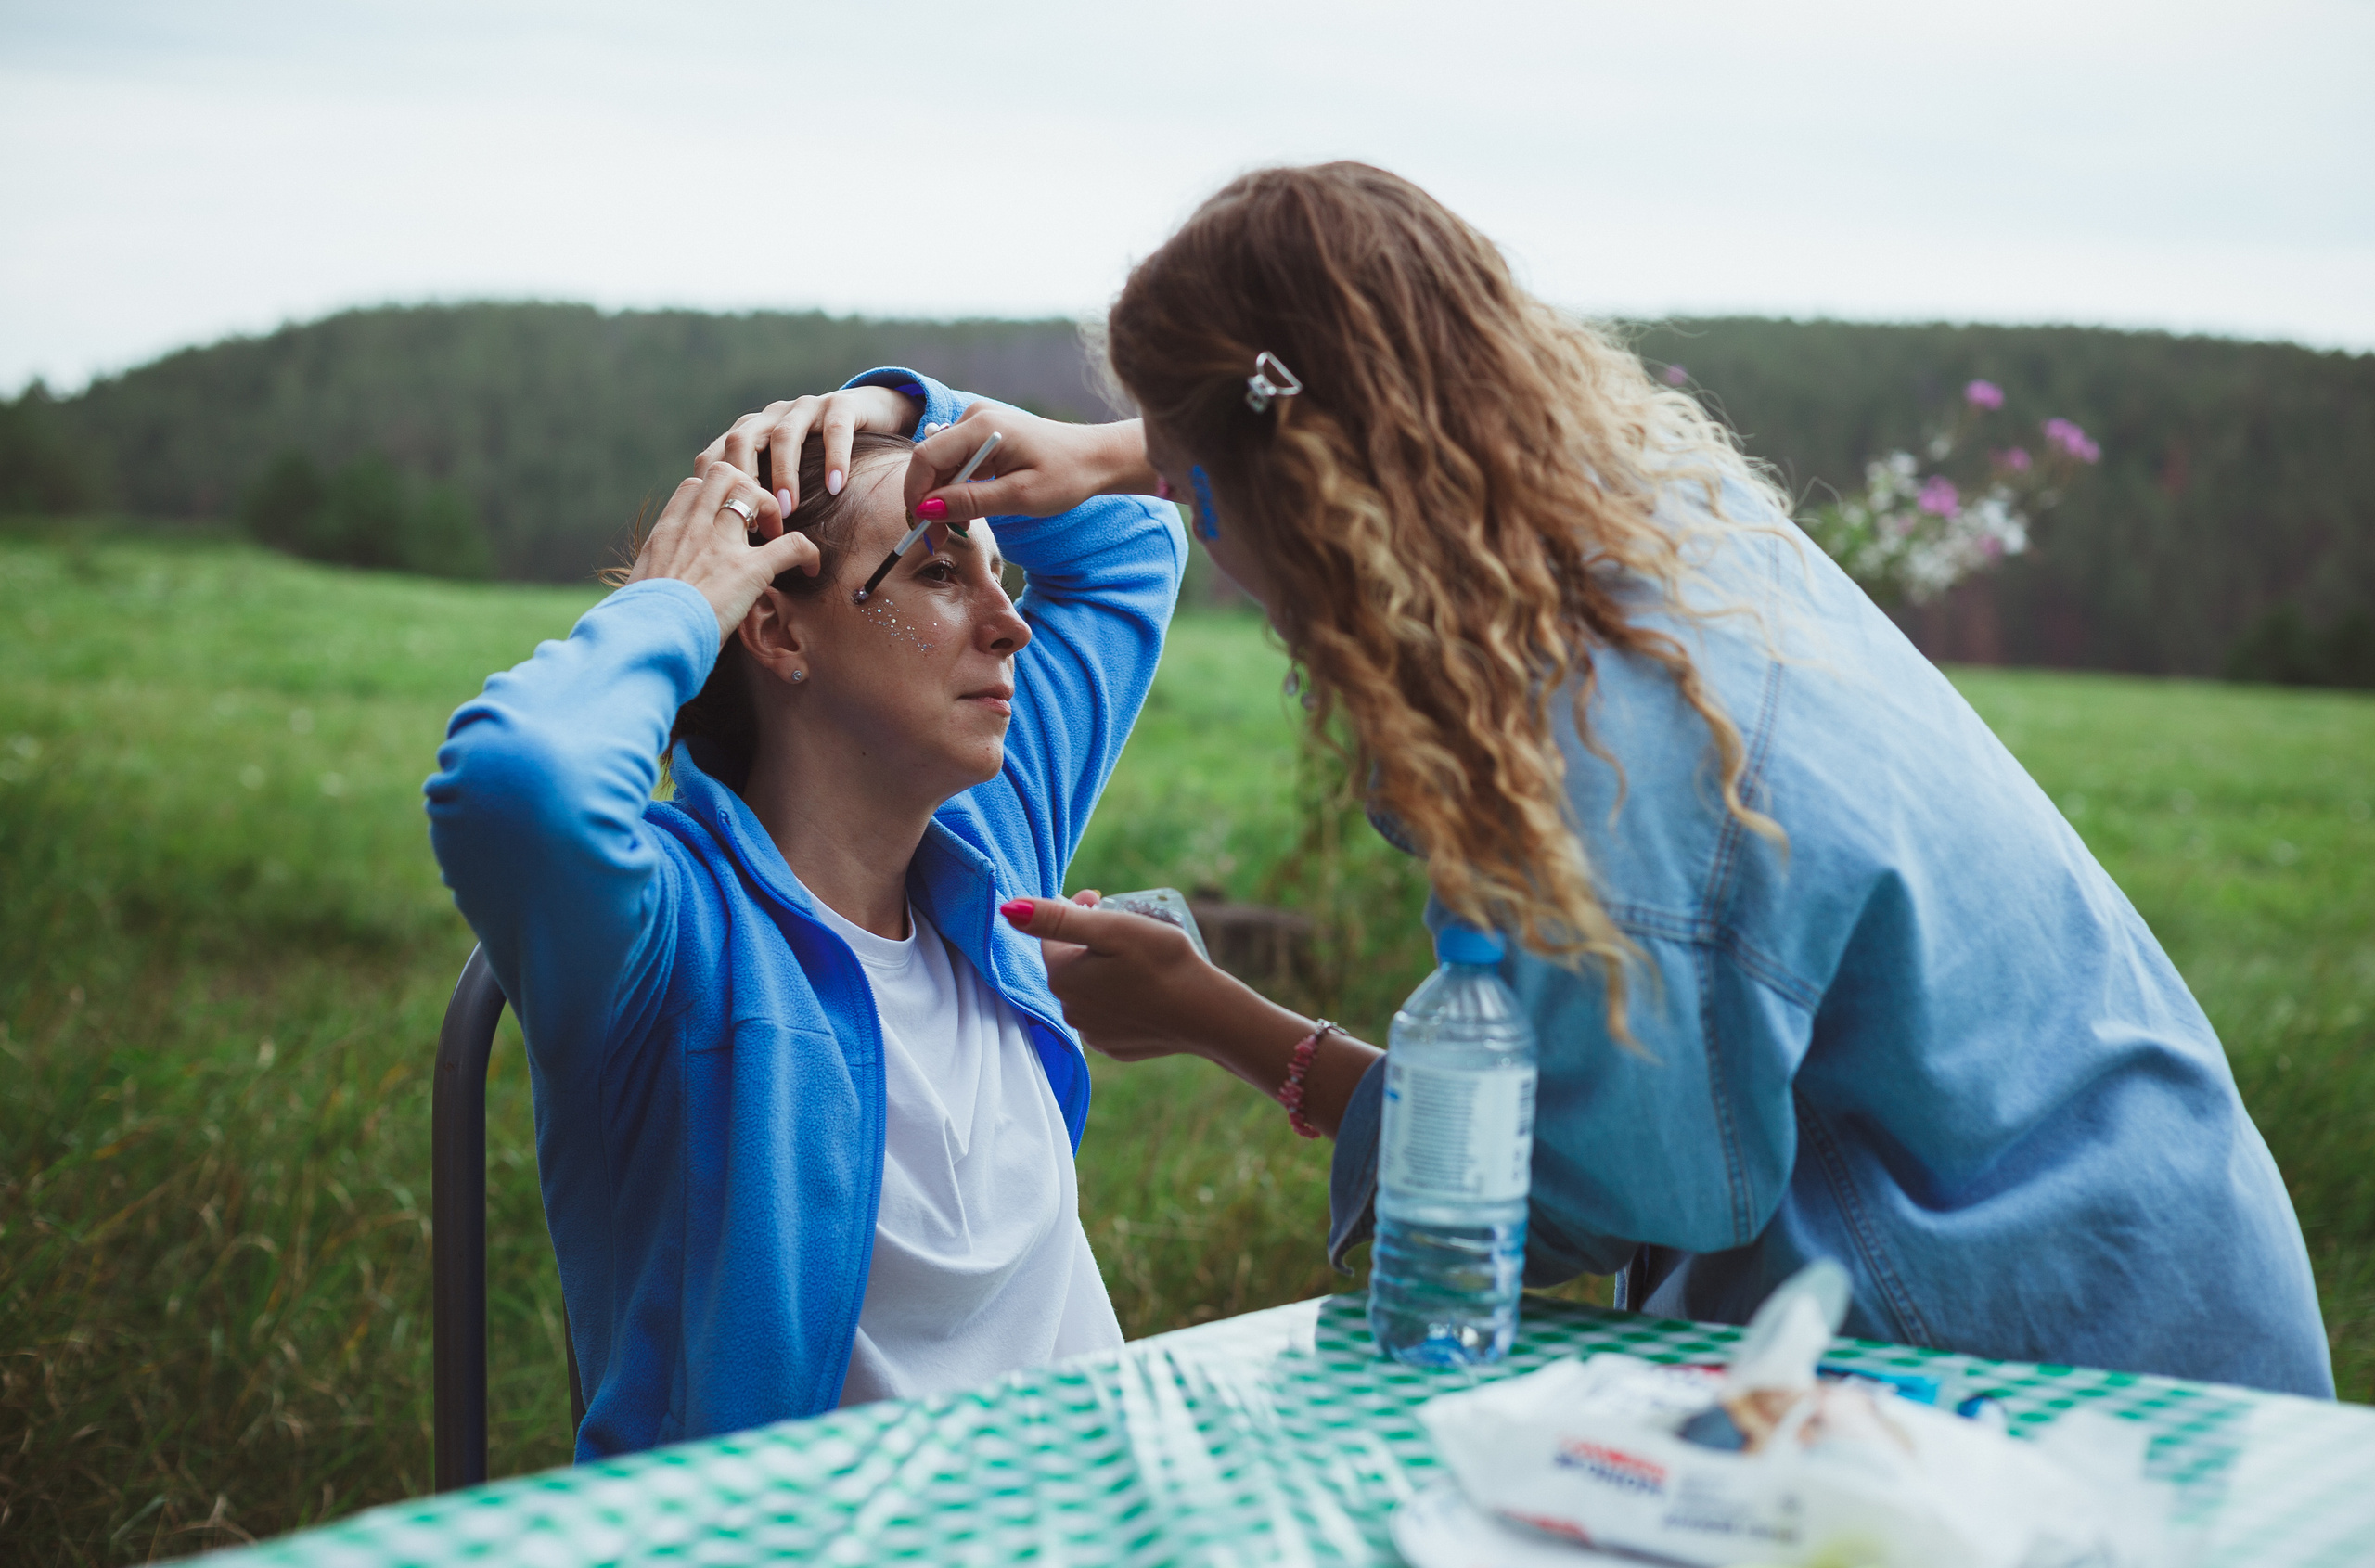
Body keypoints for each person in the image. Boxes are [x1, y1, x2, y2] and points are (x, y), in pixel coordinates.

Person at [885, 163, 2334, 1397]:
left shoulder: (1589, 762)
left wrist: (1227, 1021)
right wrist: (1142, 450)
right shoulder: (1642, 510)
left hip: (2044, 1362)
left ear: (1308, 496)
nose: (1205, 546)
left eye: (1198, 503)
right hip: (2172, 1248)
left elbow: (1560, 1192)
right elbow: (1333, 415)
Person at [425, 366, 1187, 1457]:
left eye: (999, 574)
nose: (1010, 625)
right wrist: (675, 603)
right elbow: (520, 785)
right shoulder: (677, 939)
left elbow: (1133, 545)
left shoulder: (990, 837)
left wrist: (907, 413)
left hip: (1089, 1525)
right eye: (936, 571)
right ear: (776, 632)